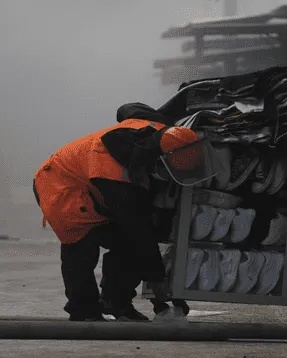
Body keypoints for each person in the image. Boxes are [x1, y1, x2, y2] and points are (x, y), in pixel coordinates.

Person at [33, 103, 215, 321]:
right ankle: (83, 311)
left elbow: (128, 109)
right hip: (59, 184)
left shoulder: (158, 132)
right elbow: (137, 229)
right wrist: (160, 290)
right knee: (82, 248)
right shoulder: (115, 175)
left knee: (129, 244)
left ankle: (114, 301)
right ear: (156, 161)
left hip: (92, 184)